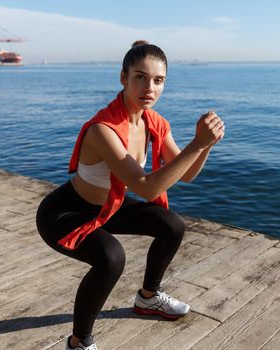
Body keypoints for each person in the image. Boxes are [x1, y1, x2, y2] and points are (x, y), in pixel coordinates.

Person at [36, 40, 225, 350]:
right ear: (123, 78)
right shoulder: (103, 130)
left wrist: (205, 144)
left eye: (158, 80)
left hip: (109, 207)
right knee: (111, 258)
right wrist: (197, 144)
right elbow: (148, 187)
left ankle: (148, 298)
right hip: (65, 213)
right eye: (140, 76)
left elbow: (188, 174)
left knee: (172, 225)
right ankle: (79, 341)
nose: (149, 87)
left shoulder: (156, 123)